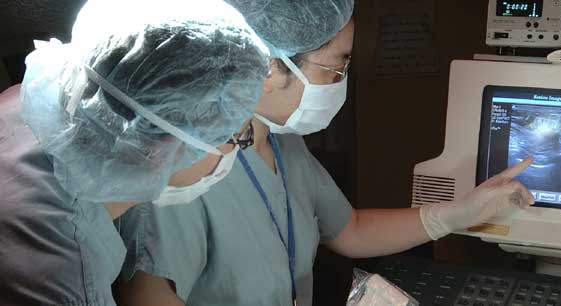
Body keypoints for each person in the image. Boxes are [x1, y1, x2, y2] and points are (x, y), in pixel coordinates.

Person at [114, 1, 537, 305]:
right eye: (338, 66)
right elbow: (146, 293)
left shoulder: (283, 141)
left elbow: (347, 229)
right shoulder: (189, 168)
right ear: (269, 68)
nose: (341, 82)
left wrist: (454, 214)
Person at [0, 0, 271, 304]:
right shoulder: (65, 279)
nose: (237, 153)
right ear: (159, 150)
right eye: (237, 138)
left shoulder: (28, 103)